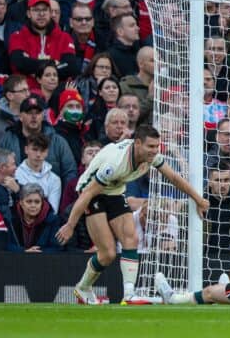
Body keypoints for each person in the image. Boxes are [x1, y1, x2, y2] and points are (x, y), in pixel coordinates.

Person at [55, 125, 209, 305]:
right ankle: (83, 288)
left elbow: (174, 178)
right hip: (92, 193)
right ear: (137, 143)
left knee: (131, 239)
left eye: (157, 146)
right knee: (108, 253)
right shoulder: (115, 164)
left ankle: (128, 295)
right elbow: (88, 193)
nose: (154, 151)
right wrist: (70, 225)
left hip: (115, 190)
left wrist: (198, 199)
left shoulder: (152, 158)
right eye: (150, 146)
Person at [7, 183, 63, 253]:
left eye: (37, 202)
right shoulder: (10, 217)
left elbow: (56, 248)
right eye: (29, 201)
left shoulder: (52, 220)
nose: (33, 205)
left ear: (42, 203)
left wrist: (36, 253)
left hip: (44, 261)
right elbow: (6, 245)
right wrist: (24, 251)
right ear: (21, 202)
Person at [15, 133, 62, 214]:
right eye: (35, 149)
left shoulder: (55, 180)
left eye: (42, 151)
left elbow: (53, 212)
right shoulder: (15, 174)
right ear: (26, 150)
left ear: (47, 152)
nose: (38, 155)